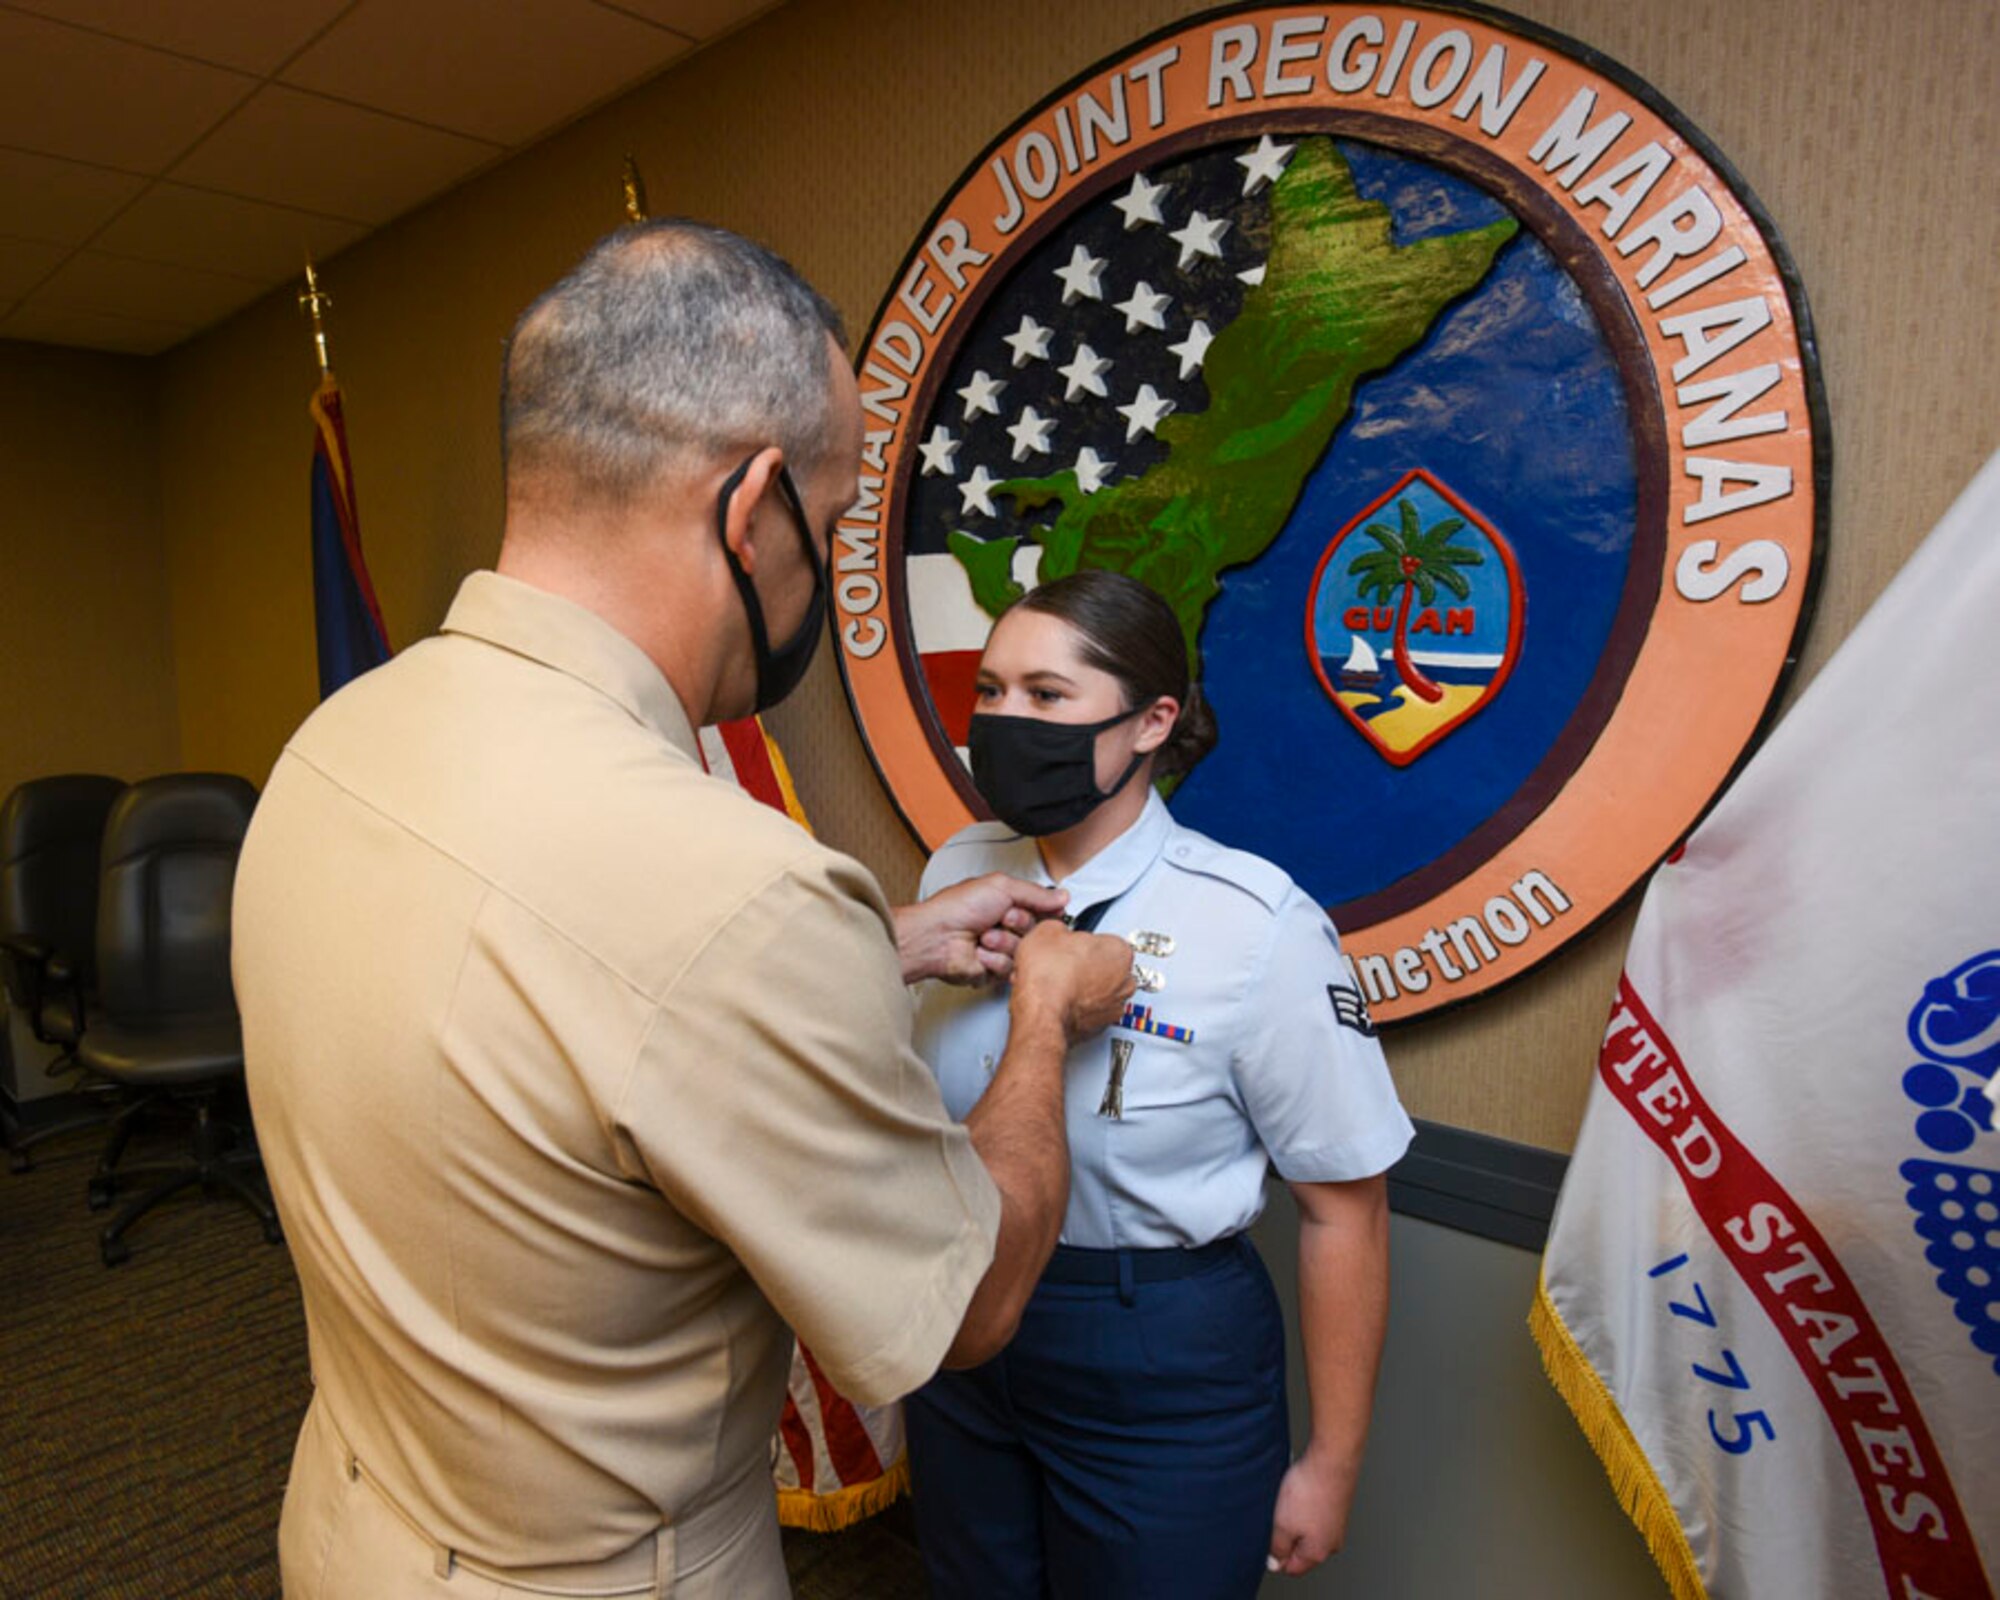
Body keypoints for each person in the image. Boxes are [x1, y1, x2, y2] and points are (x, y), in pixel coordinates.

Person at [233, 221, 1135, 1600]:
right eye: (829, 526)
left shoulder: (338, 744)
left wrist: (866, 951)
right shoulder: (731, 890)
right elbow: (972, 1298)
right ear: (751, 509)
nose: (822, 570)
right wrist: (1040, 1019)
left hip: (354, 1522)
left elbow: (503, 992)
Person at [905, 569, 1415, 1597]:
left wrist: (1330, 1462)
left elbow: (1343, 1209)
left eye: (1047, 697)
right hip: (961, 1309)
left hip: (1153, 1346)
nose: (1005, 720)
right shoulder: (956, 868)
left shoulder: (1255, 923)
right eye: (992, 691)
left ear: (1151, 720)